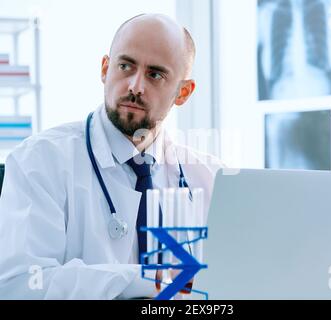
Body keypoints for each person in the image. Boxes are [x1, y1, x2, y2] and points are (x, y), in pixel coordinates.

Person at [0, 13, 222, 299]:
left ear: (183, 92)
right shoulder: (40, 161)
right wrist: (147, 279)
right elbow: (19, 284)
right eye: (125, 66)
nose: (135, 86)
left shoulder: (211, 178)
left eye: (155, 74)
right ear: (105, 69)